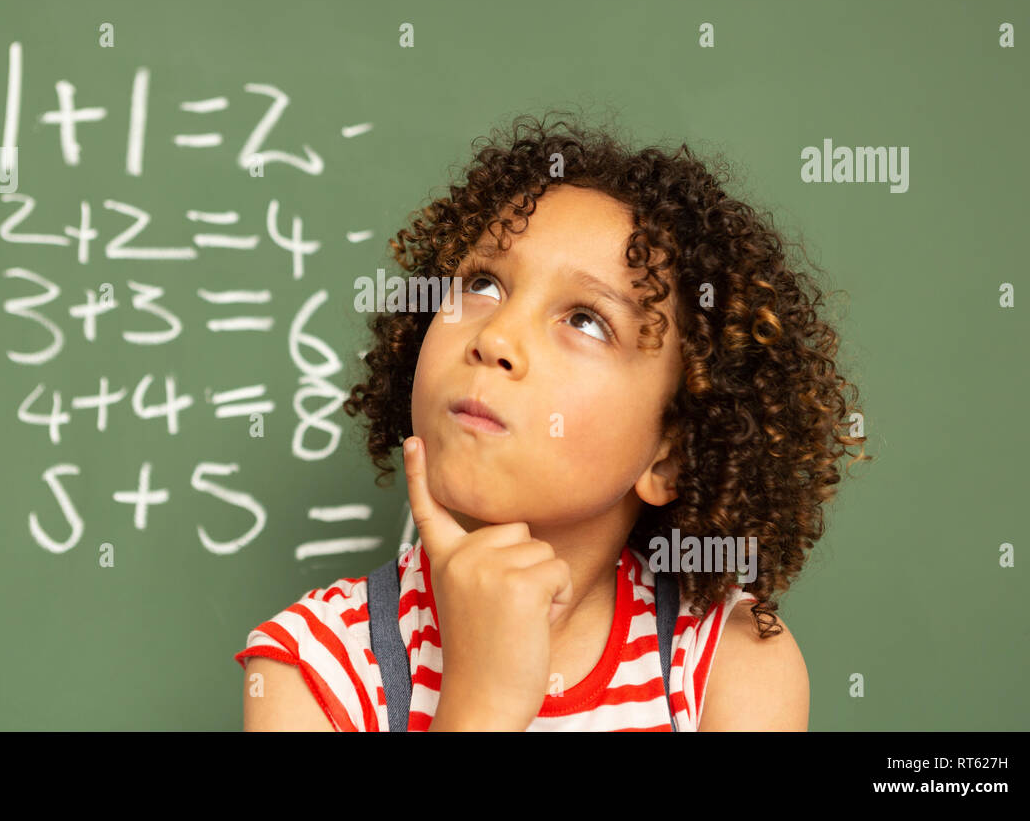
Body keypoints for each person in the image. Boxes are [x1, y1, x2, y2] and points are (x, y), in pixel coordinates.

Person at [236, 112, 870, 730]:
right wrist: (481, 705)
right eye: (482, 283)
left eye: (586, 320)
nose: (496, 337)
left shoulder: (726, 667)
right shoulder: (315, 668)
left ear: (669, 457)